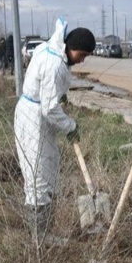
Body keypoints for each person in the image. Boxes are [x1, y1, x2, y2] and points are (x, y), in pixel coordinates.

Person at [14, 18, 95, 246]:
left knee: (48, 169)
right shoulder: (55, 65)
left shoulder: (50, 49)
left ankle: (45, 231)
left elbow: (49, 97)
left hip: (37, 113)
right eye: (83, 55)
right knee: (38, 172)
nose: (82, 60)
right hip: (34, 118)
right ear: (72, 48)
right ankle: (39, 235)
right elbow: (50, 108)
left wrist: (61, 96)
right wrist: (70, 125)